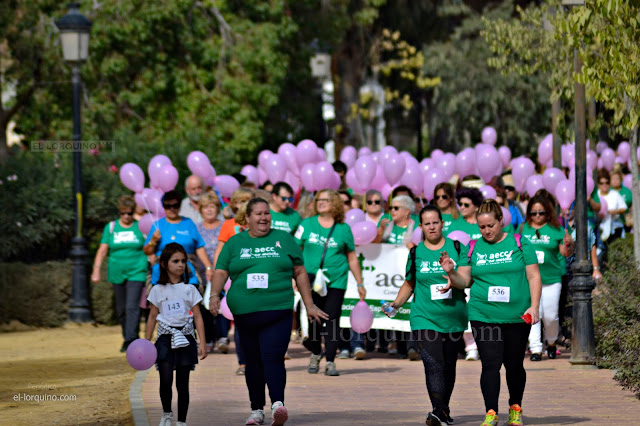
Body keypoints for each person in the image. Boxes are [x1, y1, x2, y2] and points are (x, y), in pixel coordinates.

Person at [210, 198, 328, 426]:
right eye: (258, 214)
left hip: (278, 310)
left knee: (273, 356)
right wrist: (214, 295)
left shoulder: (284, 239)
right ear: (247, 218)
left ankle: (277, 405)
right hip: (245, 312)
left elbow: (300, 271)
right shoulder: (235, 243)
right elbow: (221, 271)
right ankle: (256, 410)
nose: (264, 218)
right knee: (253, 361)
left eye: (267, 213)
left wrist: (309, 304)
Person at [386, 205, 470, 425]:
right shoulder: (416, 252)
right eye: (427, 223)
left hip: (453, 315)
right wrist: (396, 304)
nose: (432, 227)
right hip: (424, 316)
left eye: (435, 222)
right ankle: (438, 410)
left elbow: (465, 281)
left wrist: (451, 272)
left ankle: (442, 410)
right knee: (432, 362)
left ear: (442, 224)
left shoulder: (457, 247)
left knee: (448, 365)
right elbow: (409, 283)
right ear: (421, 227)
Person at [465, 199, 542, 426]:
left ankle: (515, 407)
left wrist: (534, 306)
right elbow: (465, 279)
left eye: (491, 225)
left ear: (501, 221)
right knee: (490, 364)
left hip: (516, 315)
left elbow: (534, 276)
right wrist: (451, 274)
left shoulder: (520, 242)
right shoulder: (473, 246)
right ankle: (491, 412)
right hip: (483, 314)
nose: (486, 231)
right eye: (482, 227)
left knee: (514, 364)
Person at [295, 189, 366, 376]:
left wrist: (360, 283)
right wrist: (294, 276)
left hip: (336, 280)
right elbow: (296, 251)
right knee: (314, 320)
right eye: (319, 199)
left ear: (335, 203)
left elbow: (352, 257)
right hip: (310, 280)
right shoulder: (307, 224)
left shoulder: (343, 229)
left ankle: (330, 361)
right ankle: (315, 353)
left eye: (326, 200)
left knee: (332, 319)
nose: (321, 202)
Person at [146, 243, 207, 426]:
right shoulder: (157, 290)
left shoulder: (190, 289)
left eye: (183, 261)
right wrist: (146, 343)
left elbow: (198, 316)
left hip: (186, 339)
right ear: (164, 264)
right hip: (165, 339)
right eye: (176, 261)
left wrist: (202, 342)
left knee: (182, 383)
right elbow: (152, 317)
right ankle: (167, 414)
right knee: (165, 380)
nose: (181, 265)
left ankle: (181, 421)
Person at [91, 195, 148, 352]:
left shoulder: (140, 227)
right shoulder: (111, 227)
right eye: (123, 213)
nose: (126, 216)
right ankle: (128, 336)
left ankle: (131, 340)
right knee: (121, 309)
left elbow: (149, 247)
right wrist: (96, 270)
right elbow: (103, 249)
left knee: (132, 306)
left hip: (137, 271)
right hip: (117, 272)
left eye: (129, 213)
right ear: (119, 212)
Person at [521, 195, 574, 361]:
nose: (537, 216)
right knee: (534, 312)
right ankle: (536, 348)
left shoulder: (556, 229)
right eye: (533, 213)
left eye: (541, 212)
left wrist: (569, 243)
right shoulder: (523, 228)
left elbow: (565, 253)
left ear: (548, 213)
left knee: (550, 316)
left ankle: (551, 342)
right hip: (529, 279)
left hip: (551, 279)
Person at [212, 187, 253, 375]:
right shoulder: (228, 225)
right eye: (240, 201)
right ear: (234, 204)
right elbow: (220, 250)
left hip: (257, 279)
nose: (244, 204)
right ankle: (243, 362)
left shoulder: (259, 224)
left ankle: (258, 359)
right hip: (234, 279)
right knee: (240, 321)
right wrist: (216, 272)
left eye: (247, 200)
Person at [143, 191, 213, 286]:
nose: (172, 209)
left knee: (191, 292)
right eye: (168, 206)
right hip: (163, 268)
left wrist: (208, 267)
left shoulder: (188, 223)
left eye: (175, 206)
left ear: (180, 206)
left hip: (187, 266)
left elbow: (199, 247)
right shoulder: (158, 225)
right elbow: (147, 251)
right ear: (163, 206)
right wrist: (153, 240)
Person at [195, 191, 226, 354]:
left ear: (218, 208)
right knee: (204, 308)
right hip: (202, 273)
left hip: (222, 272)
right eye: (205, 207)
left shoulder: (224, 226)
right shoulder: (196, 228)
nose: (209, 210)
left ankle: (222, 337)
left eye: (212, 206)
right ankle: (208, 339)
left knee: (221, 304)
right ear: (201, 210)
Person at [597, 168, 627, 246]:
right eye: (602, 183)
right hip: (599, 226)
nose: (604, 185)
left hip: (614, 226)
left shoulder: (614, 194)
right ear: (598, 185)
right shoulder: (596, 195)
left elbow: (624, 208)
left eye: (607, 183)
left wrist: (615, 211)